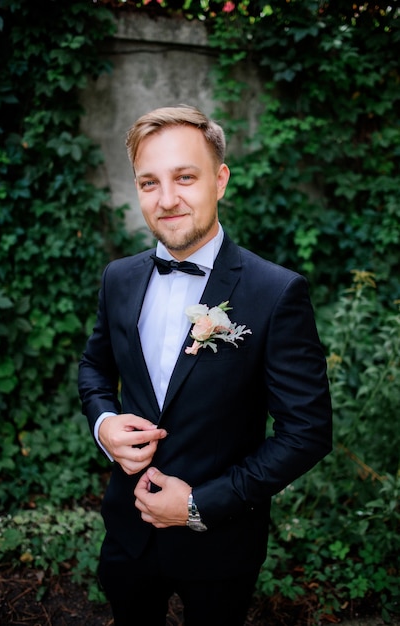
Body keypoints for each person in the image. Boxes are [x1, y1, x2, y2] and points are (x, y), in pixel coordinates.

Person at [78, 104, 332, 626]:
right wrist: (105, 425)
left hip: (221, 545)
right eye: (149, 183)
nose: (166, 199)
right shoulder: (118, 278)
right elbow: (94, 368)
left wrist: (199, 505)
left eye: (185, 177)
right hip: (127, 532)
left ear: (220, 180)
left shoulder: (275, 292)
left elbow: (307, 432)